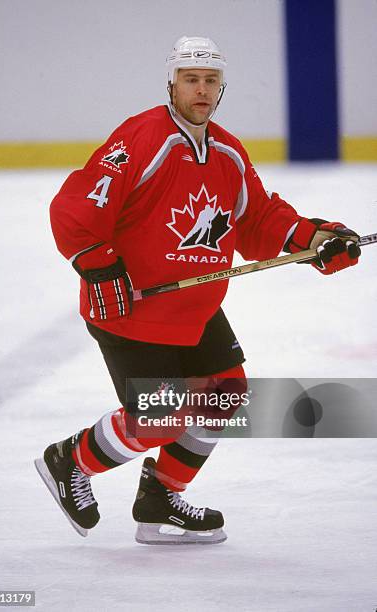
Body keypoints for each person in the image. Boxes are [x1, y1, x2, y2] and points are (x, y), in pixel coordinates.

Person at [35, 36, 361, 544]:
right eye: (191, 79)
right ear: (172, 83)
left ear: (222, 87)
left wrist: (316, 238)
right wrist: (99, 266)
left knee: (225, 394)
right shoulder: (141, 139)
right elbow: (76, 205)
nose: (201, 89)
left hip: (195, 306)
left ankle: (161, 497)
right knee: (161, 419)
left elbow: (257, 218)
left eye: (210, 81)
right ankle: (68, 460)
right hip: (131, 306)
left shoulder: (228, 151)